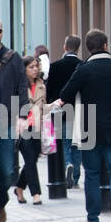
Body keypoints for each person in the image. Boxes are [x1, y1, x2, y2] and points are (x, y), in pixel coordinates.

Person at [52, 29, 111, 222]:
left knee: (92, 173)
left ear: (88, 48)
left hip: (90, 128)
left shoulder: (83, 70)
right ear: (105, 45)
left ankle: (93, 217)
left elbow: (66, 93)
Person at [0, 19, 28, 222]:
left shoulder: (12, 58)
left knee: (7, 172)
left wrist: (23, 115)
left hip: (5, 120)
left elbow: (22, 87)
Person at [45, 35, 83, 188]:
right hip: (79, 111)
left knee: (64, 142)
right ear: (78, 49)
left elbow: (49, 90)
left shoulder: (55, 66)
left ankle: (67, 164)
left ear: (64, 47)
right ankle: (75, 177)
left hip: (59, 109)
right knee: (77, 144)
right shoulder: (82, 65)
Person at [13, 51, 47, 204]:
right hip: (23, 127)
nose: (35, 69)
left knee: (32, 160)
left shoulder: (41, 85)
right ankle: (36, 194)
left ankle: (19, 188)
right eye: (31, 67)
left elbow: (43, 107)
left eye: (36, 66)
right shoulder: (17, 86)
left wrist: (53, 106)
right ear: (24, 69)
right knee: (31, 161)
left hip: (37, 127)